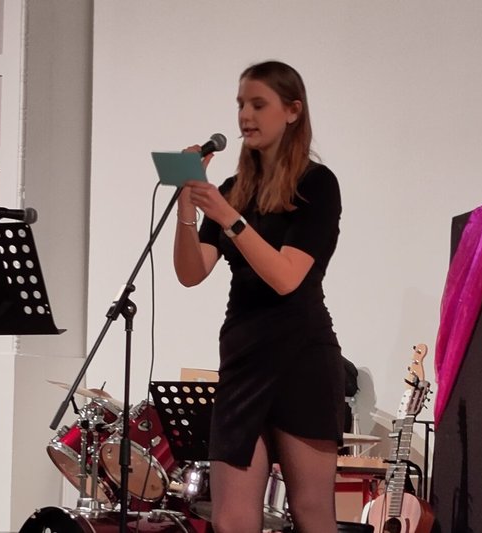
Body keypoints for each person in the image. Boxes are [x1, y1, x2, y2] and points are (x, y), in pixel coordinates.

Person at [173, 60, 346, 533]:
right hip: (243, 359)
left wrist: (229, 218)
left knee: (311, 511)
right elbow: (191, 272)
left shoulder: (316, 184)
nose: (245, 116)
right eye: (240, 105)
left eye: (258, 104)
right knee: (230, 518)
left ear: (292, 111)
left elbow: (287, 277)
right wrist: (188, 207)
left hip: (301, 357)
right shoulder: (233, 190)